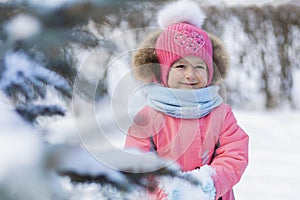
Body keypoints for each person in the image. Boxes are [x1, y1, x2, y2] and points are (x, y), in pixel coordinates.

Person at [124, 1, 249, 200]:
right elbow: (136, 159)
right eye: (180, 66)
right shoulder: (149, 115)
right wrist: (165, 187)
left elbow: (234, 154)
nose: (190, 75)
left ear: (210, 71)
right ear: (163, 71)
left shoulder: (221, 113)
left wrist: (210, 183)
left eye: (199, 67)